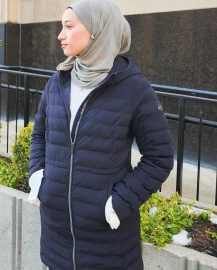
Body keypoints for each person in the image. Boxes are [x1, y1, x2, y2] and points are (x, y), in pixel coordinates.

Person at [28, 0, 174, 269]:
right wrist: (38, 178)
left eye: (69, 26)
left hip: (107, 243)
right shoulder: (58, 80)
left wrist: (116, 203)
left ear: (97, 30)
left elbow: (160, 157)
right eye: (62, 27)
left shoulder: (134, 88)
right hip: (56, 237)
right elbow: (39, 135)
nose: (61, 35)